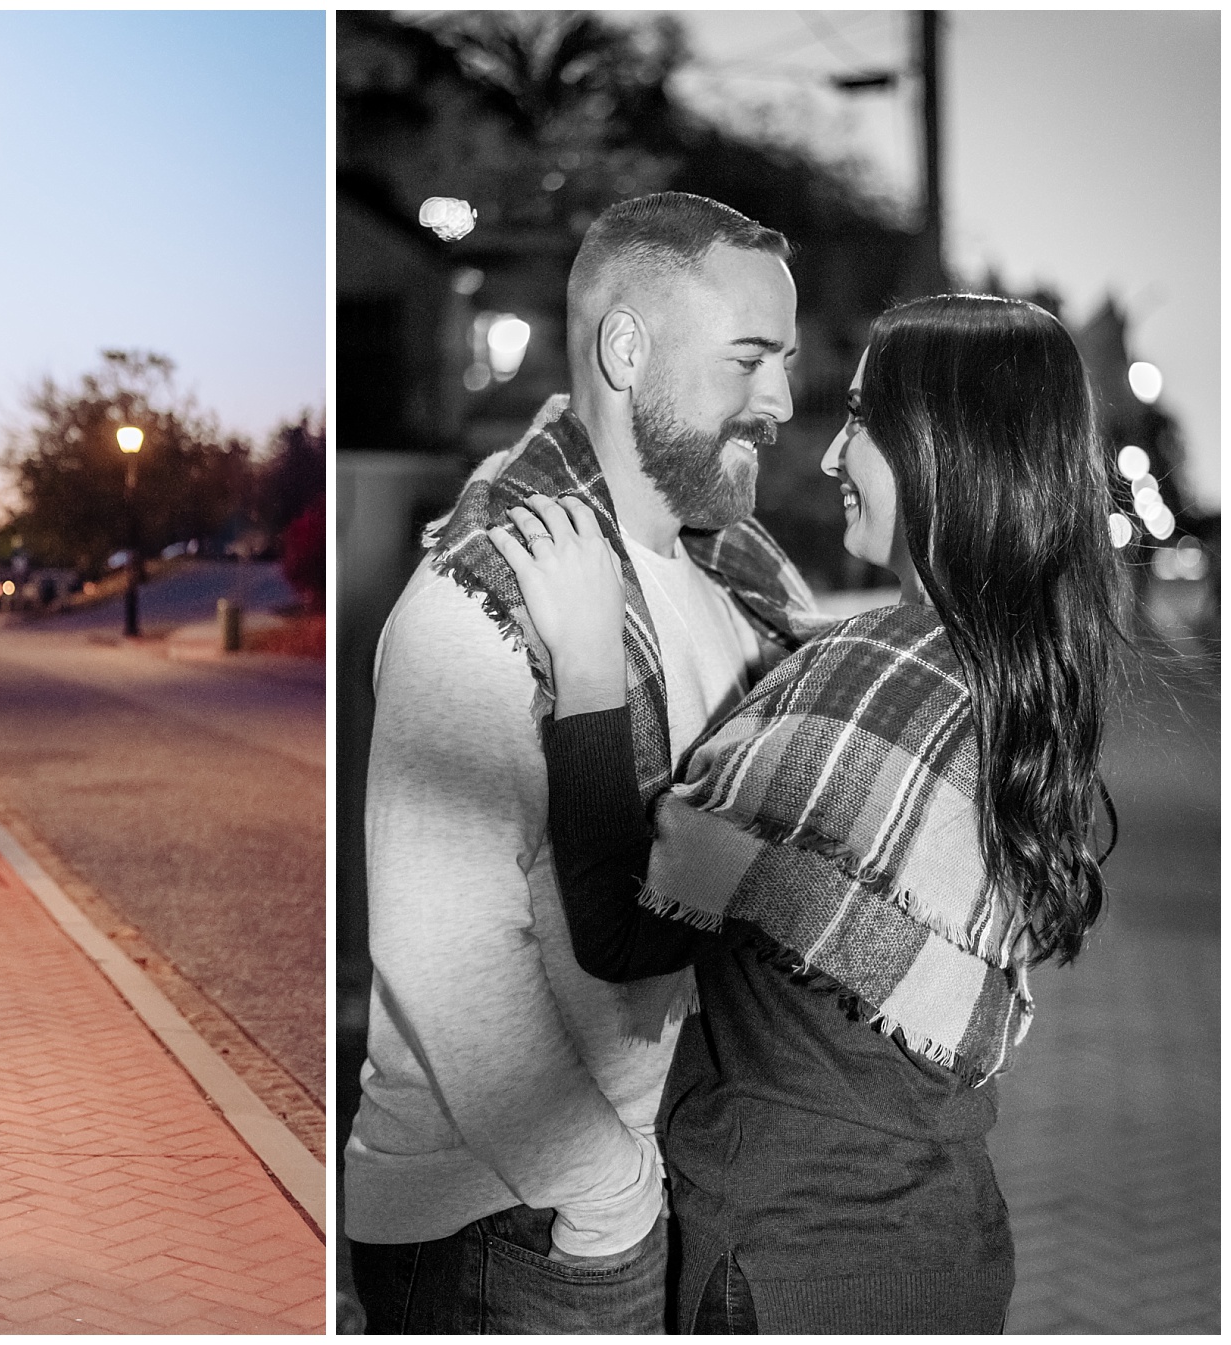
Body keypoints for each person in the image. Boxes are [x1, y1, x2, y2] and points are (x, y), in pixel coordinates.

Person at [492, 293, 1126, 1332]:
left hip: (793, 1263)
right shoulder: (1009, 678)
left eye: (868, 419)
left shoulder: (872, 677)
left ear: (946, 447)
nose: (833, 453)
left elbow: (618, 925)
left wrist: (592, 669)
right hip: (940, 1242)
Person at [343, 192, 826, 1333]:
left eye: (787, 362)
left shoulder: (738, 585)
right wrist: (607, 1198)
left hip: (637, 1188)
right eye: (749, 359)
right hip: (505, 1226)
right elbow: (443, 957)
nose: (783, 402)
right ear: (627, 348)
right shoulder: (480, 603)